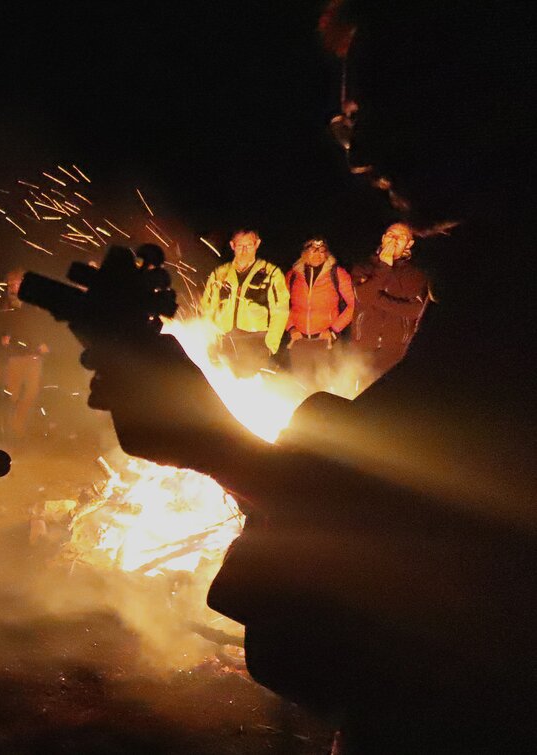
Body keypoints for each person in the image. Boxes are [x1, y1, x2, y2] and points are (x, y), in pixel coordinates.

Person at [75, 2, 537, 751]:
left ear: (497, 94)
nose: (354, 146)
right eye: (347, 114)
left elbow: (427, 538)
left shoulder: (514, 302)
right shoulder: (493, 280)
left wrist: (200, 436)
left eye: (376, 104)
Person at [199, 229, 290, 377]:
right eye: (240, 245)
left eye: (249, 245)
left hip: (255, 342)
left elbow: (280, 311)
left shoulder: (271, 274)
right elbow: (208, 308)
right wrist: (210, 337)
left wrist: (270, 345)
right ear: (232, 245)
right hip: (225, 340)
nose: (244, 250)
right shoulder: (220, 273)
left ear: (257, 244)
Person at [349, 223, 429, 383]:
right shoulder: (364, 267)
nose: (395, 240)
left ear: (409, 244)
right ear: (383, 238)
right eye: (391, 235)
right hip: (363, 345)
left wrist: (375, 298)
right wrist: (384, 266)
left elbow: (414, 310)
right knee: (358, 392)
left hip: (395, 350)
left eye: (401, 237)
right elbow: (362, 296)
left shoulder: (415, 273)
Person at [284, 237, 355, 387]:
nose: (317, 255)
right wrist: (291, 328)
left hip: (326, 342)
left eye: (322, 251)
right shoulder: (293, 275)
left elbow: (353, 305)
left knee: (328, 386)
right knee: (301, 386)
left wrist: (333, 331)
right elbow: (281, 306)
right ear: (304, 253)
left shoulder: (338, 274)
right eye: (312, 251)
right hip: (299, 342)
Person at [0, 269, 50, 440]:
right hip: (15, 356)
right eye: (11, 283)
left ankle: (18, 426)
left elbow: (43, 323)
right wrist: (3, 336)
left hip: (33, 354)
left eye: (17, 282)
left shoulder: (34, 302)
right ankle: (8, 429)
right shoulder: (5, 304)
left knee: (31, 392)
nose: (13, 286)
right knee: (12, 393)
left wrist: (44, 341)